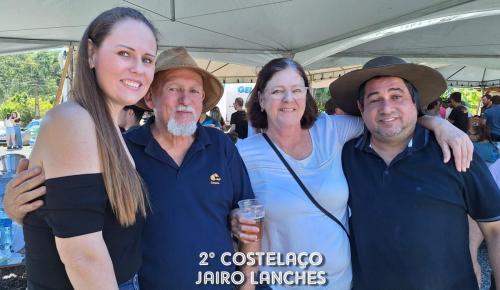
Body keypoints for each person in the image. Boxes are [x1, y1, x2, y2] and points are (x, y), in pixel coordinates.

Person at [4, 47, 257, 290]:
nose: (185, 100)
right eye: (174, 89)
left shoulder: (221, 145)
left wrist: (247, 280)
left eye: (194, 91)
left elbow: (250, 216)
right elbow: (73, 215)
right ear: (149, 97)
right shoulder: (121, 150)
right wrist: (20, 211)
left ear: (202, 100)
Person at [233, 57, 472, 289]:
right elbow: (232, 212)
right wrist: (234, 219)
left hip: (343, 281)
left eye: (297, 90)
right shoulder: (242, 154)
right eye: (277, 91)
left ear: (306, 95)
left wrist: (439, 125)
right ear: (261, 99)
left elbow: (388, 120)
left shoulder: (331, 130)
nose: (288, 99)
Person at [14, 7, 158, 289]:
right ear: (91, 53)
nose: (138, 68)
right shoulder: (72, 121)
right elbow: (84, 258)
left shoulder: (110, 130)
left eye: (148, 59)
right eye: (124, 53)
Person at [332, 56, 500, 290]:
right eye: (374, 99)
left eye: (396, 96)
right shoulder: (343, 156)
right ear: (361, 108)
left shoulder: (455, 152)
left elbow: (495, 230)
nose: (386, 108)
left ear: (415, 102)